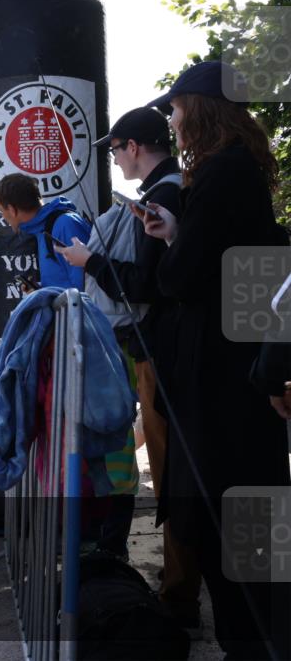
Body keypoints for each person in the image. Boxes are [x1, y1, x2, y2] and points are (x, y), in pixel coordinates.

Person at [140, 61, 290, 659]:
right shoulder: (244, 170)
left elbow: (182, 279)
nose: (171, 121)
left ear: (198, 108)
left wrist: (172, 240)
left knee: (226, 514)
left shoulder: (221, 174)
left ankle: (250, 643)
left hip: (220, 378)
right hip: (241, 368)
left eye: (174, 109)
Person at [58, 107, 199, 619]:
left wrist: (87, 261)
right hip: (180, 350)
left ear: (133, 146)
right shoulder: (176, 188)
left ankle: (180, 595)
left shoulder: (162, 196)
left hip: (163, 353)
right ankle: (183, 586)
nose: (114, 160)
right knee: (175, 472)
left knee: (171, 476)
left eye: (115, 150)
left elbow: (146, 286)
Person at [0, 172, 91, 290]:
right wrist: (40, 293)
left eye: (1, 211)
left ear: (12, 210)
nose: (2, 216)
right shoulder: (42, 229)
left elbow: (88, 289)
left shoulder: (64, 224)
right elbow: (64, 286)